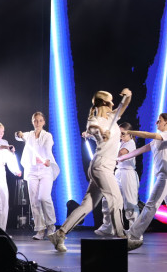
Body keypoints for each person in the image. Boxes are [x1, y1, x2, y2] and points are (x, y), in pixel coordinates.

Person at [50, 88, 131, 252]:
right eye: (111, 101)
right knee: (116, 198)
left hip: (104, 166)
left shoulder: (111, 117)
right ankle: (122, 237)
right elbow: (93, 128)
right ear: (104, 103)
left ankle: (60, 233)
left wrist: (128, 95)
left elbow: (123, 106)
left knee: (87, 205)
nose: (113, 103)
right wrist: (102, 132)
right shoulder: (94, 120)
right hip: (101, 166)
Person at [123, 113, 167, 250]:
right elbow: (141, 150)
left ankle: (134, 234)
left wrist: (130, 132)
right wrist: (121, 158)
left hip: (166, 175)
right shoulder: (157, 139)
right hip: (165, 175)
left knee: (151, 205)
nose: (157, 123)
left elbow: (146, 134)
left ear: (166, 122)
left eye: (159, 121)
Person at [15, 112, 59, 240]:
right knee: (34, 201)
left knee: (44, 197)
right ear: (32, 122)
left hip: (45, 170)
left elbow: (47, 148)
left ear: (44, 122)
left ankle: (51, 226)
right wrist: (19, 134)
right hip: (32, 170)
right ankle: (40, 229)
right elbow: (18, 136)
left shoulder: (47, 136)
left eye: (40, 120)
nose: (38, 123)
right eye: (35, 120)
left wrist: (46, 159)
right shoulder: (29, 135)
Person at [94, 122, 140, 236]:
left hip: (128, 174)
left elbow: (120, 153)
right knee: (108, 198)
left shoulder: (131, 143)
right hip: (118, 172)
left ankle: (135, 231)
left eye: (123, 134)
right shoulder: (119, 142)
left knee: (130, 203)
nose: (121, 136)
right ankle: (109, 226)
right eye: (119, 133)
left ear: (130, 134)